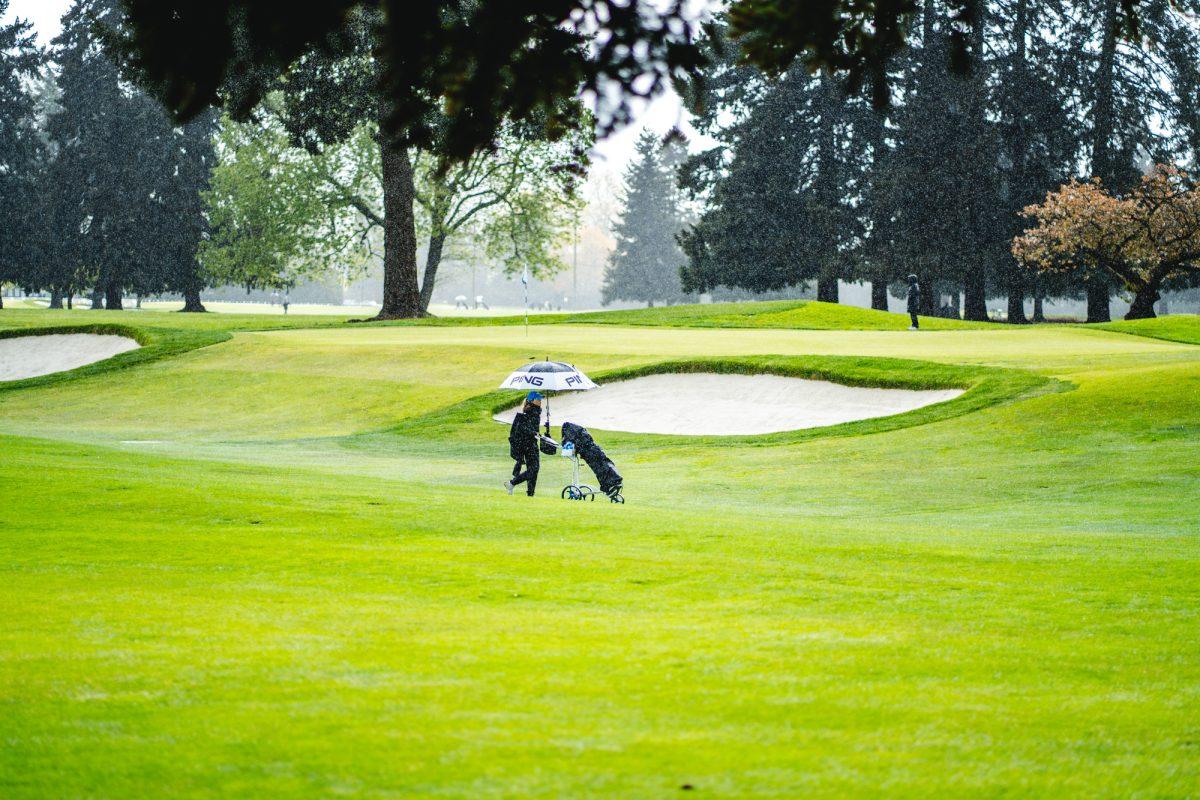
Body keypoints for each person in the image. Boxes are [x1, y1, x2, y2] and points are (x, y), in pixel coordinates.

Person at [504, 392, 543, 496]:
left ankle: (530, 494)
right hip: (528, 445)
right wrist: (534, 433)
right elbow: (523, 429)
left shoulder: (536, 411)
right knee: (534, 470)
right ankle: (512, 483)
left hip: (531, 444)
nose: (540, 401)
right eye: (538, 399)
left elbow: (532, 428)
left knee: (533, 469)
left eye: (540, 399)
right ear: (531, 400)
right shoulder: (531, 411)